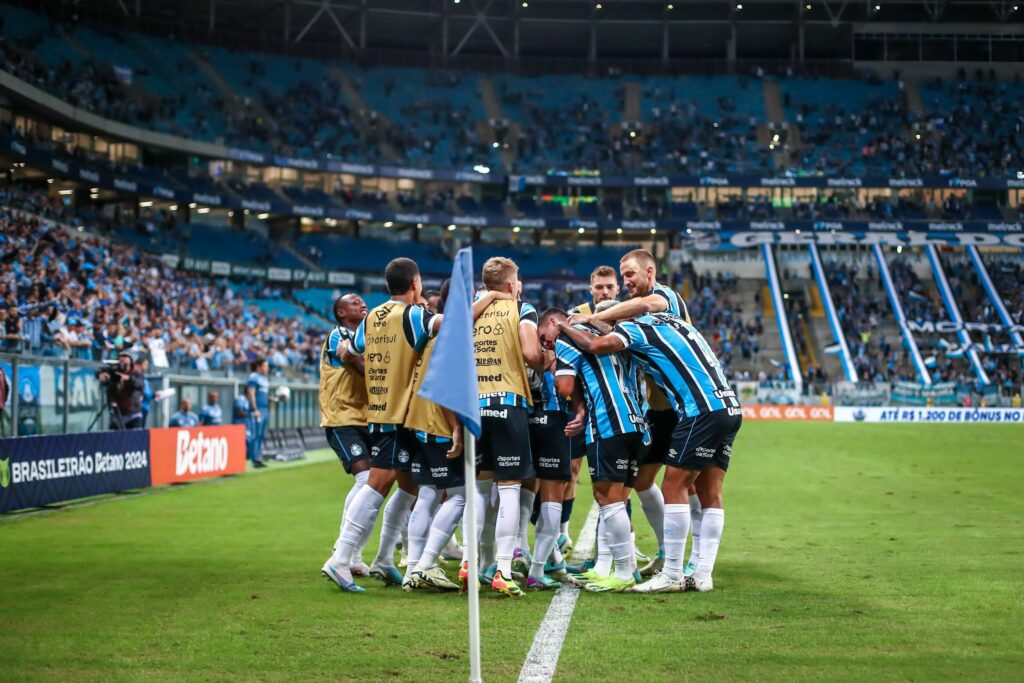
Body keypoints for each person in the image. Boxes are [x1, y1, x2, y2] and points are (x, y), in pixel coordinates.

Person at [557, 311, 742, 594]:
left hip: (699, 411)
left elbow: (597, 344)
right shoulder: (674, 322)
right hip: (728, 406)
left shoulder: (639, 328)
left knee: (673, 485)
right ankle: (703, 575)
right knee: (709, 491)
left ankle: (671, 574)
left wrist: (564, 325)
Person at [323, 258, 442, 592]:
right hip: (397, 413)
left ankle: (384, 558)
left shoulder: (372, 317)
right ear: (415, 283)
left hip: (381, 409)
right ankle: (341, 557)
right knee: (377, 482)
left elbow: (355, 348)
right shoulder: (415, 315)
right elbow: (450, 326)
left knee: (407, 488)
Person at [572, 250, 691, 577]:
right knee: (638, 481)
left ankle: (685, 560)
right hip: (651, 412)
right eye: (602, 286)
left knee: (689, 486)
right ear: (591, 288)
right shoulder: (605, 312)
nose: (611, 290)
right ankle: (656, 553)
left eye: (618, 283)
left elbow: (620, 332)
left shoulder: (660, 300)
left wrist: (588, 321)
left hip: (681, 408)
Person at [542, 307, 649, 593]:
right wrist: (580, 405)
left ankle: (624, 572)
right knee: (619, 497)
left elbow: (564, 386)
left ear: (554, 324)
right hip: (636, 422)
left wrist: (556, 372)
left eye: (545, 338)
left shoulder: (565, 340)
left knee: (607, 497)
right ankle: (619, 568)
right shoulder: (614, 338)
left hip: (607, 424)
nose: (547, 345)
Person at [461, 257, 546, 598]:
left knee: (479, 491)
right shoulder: (521, 309)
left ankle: (469, 561)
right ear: (512, 285)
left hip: (473, 406)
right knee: (510, 490)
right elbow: (529, 352)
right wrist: (545, 360)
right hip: (507, 402)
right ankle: (503, 570)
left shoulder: (471, 310)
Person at [403, 279, 466, 592]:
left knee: (427, 494)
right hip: (439, 423)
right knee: (460, 497)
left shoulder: (428, 332)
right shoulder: (450, 333)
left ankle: (412, 568)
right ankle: (427, 563)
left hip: (416, 421)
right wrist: (456, 426)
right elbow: (445, 383)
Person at [562, 265, 621, 558]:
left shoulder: (626, 314)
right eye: (599, 287)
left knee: (617, 481)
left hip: (616, 411)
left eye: (609, 287)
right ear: (590, 289)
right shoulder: (575, 315)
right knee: (570, 471)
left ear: (617, 288)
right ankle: (562, 533)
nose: (605, 292)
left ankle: (621, 543)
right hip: (581, 406)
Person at [320, 294, 374, 577]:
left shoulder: (366, 335)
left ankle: (352, 554)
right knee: (366, 479)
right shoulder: (338, 334)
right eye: (354, 302)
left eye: (363, 301)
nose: (362, 303)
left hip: (367, 417)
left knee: (376, 484)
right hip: (342, 417)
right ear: (341, 313)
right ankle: (343, 550)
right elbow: (356, 361)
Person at [95, 352, 145, 430]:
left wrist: (128, 378)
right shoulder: (114, 370)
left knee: (135, 437)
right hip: (117, 413)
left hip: (133, 412)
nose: (123, 360)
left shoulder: (136, 372)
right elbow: (99, 369)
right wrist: (100, 375)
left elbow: (140, 384)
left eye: (125, 357)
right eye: (121, 357)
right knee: (115, 438)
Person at [246, 358, 271, 469]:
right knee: (255, 435)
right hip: (258, 409)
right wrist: (255, 409)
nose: (267, 368)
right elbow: (251, 394)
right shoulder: (253, 377)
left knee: (261, 435)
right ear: (259, 367)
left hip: (265, 409)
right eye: (265, 366)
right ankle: (253, 459)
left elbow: (264, 395)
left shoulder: (265, 379)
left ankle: (258, 457)